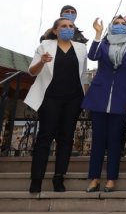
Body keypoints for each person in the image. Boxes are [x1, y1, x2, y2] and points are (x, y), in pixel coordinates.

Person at [26, 17, 88, 193]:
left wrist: (86, 98)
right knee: (45, 138)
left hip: (73, 99)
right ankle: (36, 179)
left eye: (71, 26)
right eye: (64, 26)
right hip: (50, 98)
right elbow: (31, 72)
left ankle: (59, 178)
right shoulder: (45, 46)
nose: (68, 28)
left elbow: (83, 75)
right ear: (55, 30)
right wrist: (42, 61)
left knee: (66, 139)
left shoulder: (81, 48)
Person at [82, 16, 126, 192]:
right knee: (98, 140)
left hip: (121, 100)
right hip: (99, 98)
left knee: (115, 141)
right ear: (111, 26)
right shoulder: (104, 45)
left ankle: (111, 179)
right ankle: (94, 178)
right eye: (117, 23)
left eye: (124, 24)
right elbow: (92, 56)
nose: (121, 25)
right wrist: (98, 34)